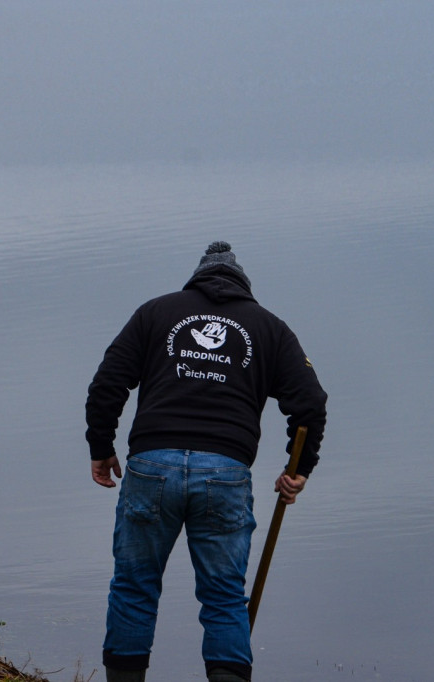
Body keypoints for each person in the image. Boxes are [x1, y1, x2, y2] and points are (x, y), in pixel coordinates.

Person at [85, 241, 327, 682]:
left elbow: (107, 382)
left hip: (151, 465)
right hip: (225, 471)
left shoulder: (156, 312)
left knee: (134, 589)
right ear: (243, 286)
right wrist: (299, 470)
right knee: (224, 598)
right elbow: (310, 402)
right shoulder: (269, 328)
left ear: (195, 279)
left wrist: (101, 447)